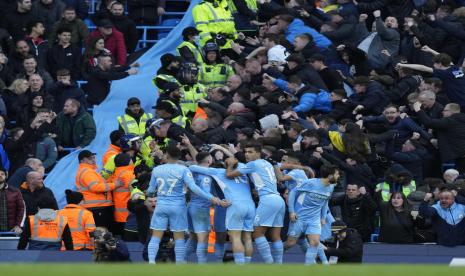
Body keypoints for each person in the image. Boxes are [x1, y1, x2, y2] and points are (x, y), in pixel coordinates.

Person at [146, 145, 224, 264]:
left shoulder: (157, 170)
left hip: (161, 205)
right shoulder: (183, 170)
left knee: (156, 236)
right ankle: (179, 264)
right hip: (178, 206)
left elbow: (151, 190)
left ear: (166, 155)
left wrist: (151, 194)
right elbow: (193, 187)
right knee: (179, 238)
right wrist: (211, 197)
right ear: (179, 157)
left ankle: (151, 263)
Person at [189, 154, 256, 264]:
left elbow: (192, 167)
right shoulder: (243, 172)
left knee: (234, 237)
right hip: (249, 205)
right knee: (245, 237)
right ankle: (237, 264)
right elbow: (234, 159)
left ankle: (236, 266)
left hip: (231, 205)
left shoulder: (219, 172)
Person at [226, 142, 285, 264]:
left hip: (268, 200)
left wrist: (230, 165)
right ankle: (279, 266)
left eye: (250, 152)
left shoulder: (252, 164)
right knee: (275, 236)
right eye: (246, 152)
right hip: (278, 200)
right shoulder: (267, 163)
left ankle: (269, 265)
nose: (247, 154)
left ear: (258, 153)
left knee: (257, 234)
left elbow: (229, 175)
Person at [287, 165, 340, 265]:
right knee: (290, 243)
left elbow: (325, 202)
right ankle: (275, 256)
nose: (338, 176)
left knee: (315, 243)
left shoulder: (331, 187)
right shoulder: (310, 183)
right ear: (330, 175)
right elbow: (293, 193)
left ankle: (309, 270)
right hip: (300, 217)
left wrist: (323, 217)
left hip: (314, 219)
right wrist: (292, 211)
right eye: (337, 174)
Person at [412, 102, 465, 174]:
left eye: (445, 110)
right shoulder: (461, 120)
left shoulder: (450, 121)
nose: (442, 112)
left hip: (451, 156)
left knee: (450, 179)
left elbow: (428, 122)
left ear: (451, 111)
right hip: (461, 156)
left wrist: (418, 109)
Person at [398, 53, 465, 109]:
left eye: (435, 63)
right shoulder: (455, 68)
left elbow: (423, 68)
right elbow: (446, 59)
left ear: (440, 64)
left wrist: (402, 65)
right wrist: (430, 50)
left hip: (461, 101)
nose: (433, 65)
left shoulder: (445, 73)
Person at [75, 150, 120, 229]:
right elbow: (96, 187)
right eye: (89, 158)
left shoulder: (88, 171)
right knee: (102, 233)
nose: (93, 160)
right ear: (82, 160)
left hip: (97, 207)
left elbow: (100, 184)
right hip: (96, 207)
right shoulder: (87, 172)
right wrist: (115, 185)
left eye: (93, 158)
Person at [184, 152, 216, 263]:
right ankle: (202, 266)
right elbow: (205, 191)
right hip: (201, 208)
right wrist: (215, 199)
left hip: (191, 206)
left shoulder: (193, 171)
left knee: (193, 238)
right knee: (202, 238)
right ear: (208, 160)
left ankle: (180, 261)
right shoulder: (206, 176)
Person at [111, 153, 135, 236]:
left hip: (120, 211)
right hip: (128, 211)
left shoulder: (116, 173)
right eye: (131, 159)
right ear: (128, 162)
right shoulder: (128, 174)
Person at [0, 167, 24, 236]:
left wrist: (18, 225)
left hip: (10, 229)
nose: (0, 176)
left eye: (2, 174)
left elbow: (21, 209)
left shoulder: (15, 191)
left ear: (5, 176)